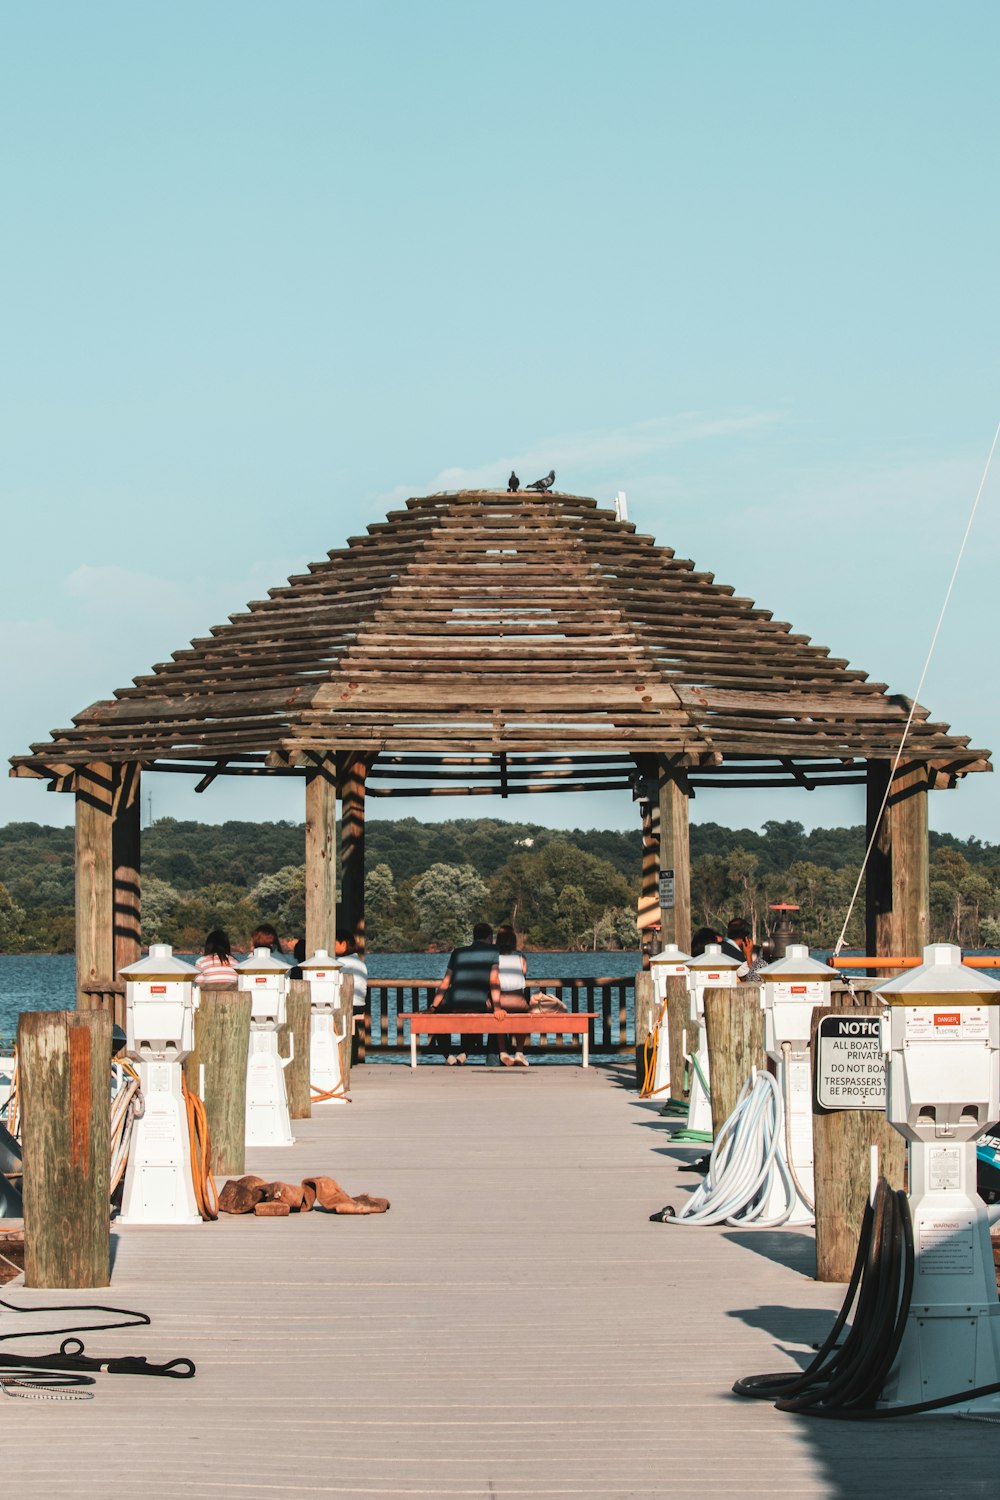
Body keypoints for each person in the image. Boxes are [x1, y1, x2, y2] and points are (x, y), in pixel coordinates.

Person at [430, 921, 499, 1065]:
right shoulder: (494, 952)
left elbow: (445, 981)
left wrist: (433, 1006)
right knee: (482, 1016)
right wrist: (497, 1007)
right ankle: (464, 1053)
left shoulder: (458, 952)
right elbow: (494, 981)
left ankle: (448, 1055)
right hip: (479, 1003)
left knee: (437, 1015)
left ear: (474, 937)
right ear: (489, 937)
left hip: (454, 1001)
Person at [490, 923, 530, 1068]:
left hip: (500, 999)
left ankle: (503, 1052)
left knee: (500, 1018)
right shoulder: (521, 956)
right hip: (518, 999)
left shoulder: (494, 957)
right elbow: (524, 973)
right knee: (523, 1016)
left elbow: (493, 978)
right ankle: (519, 1051)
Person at [336, 931, 368, 1064]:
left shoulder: (341, 962)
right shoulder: (359, 962)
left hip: (348, 1005)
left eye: (334, 944)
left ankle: (340, 1056)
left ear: (343, 944)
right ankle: (352, 1057)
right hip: (359, 1004)